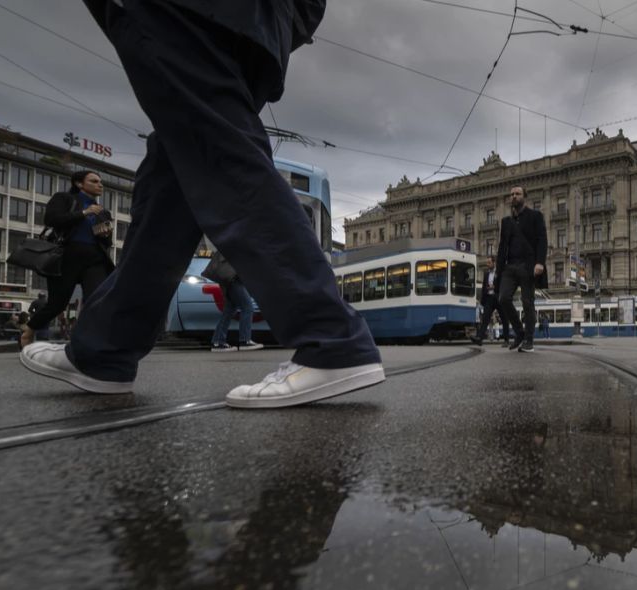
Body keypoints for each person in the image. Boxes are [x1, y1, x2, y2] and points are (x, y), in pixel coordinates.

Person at [20, 0, 384, 408]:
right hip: (257, 21)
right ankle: (104, 349)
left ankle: (330, 336)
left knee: (219, 150)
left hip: (190, 10)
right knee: (172, 181)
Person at [21, 171, 114, 348]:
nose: (100, 185)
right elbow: (51, 219)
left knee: (97, 299)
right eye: (94, 181)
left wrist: (105, 234)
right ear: (79, 184)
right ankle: (29, 329)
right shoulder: (64, 199)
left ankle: (87, 340)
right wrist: (84, 212)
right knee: (57, 304)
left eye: (100, 182)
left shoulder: (103, 212)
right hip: (66, 257)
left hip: (94, 259)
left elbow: (106, 242)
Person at [495, 186, 547, 353]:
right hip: (510, 266)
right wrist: (499, 269)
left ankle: (529, 340)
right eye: (511, 194)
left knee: (527, 302)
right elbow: (502, 247)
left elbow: (542, 240)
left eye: (517, 194)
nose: (514, 197)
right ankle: (519, 331)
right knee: (503, 298)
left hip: (528, 265)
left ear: (525, 196)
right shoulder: (506, 222)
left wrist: (540, 262)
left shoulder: (535, 216)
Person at [206, 253, 264, 352]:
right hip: (233, 279)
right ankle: (245, 341)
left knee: (229, 310)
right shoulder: (238, 241)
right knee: (247, 307)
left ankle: (218, 342)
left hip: (229, 280)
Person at [470, 256, 510, 347]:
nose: (487, 264)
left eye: (489, 263)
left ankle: (506, 340)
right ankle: (479, 338)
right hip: (489, 298)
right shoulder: (486, 273)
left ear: (494, 263)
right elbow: (484, 286)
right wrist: (483, 300)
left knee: (504, 318)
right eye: (487, 263)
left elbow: (504, 284)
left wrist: (494, 287)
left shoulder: (500, 272)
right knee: (485, 319)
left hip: (499, 298)